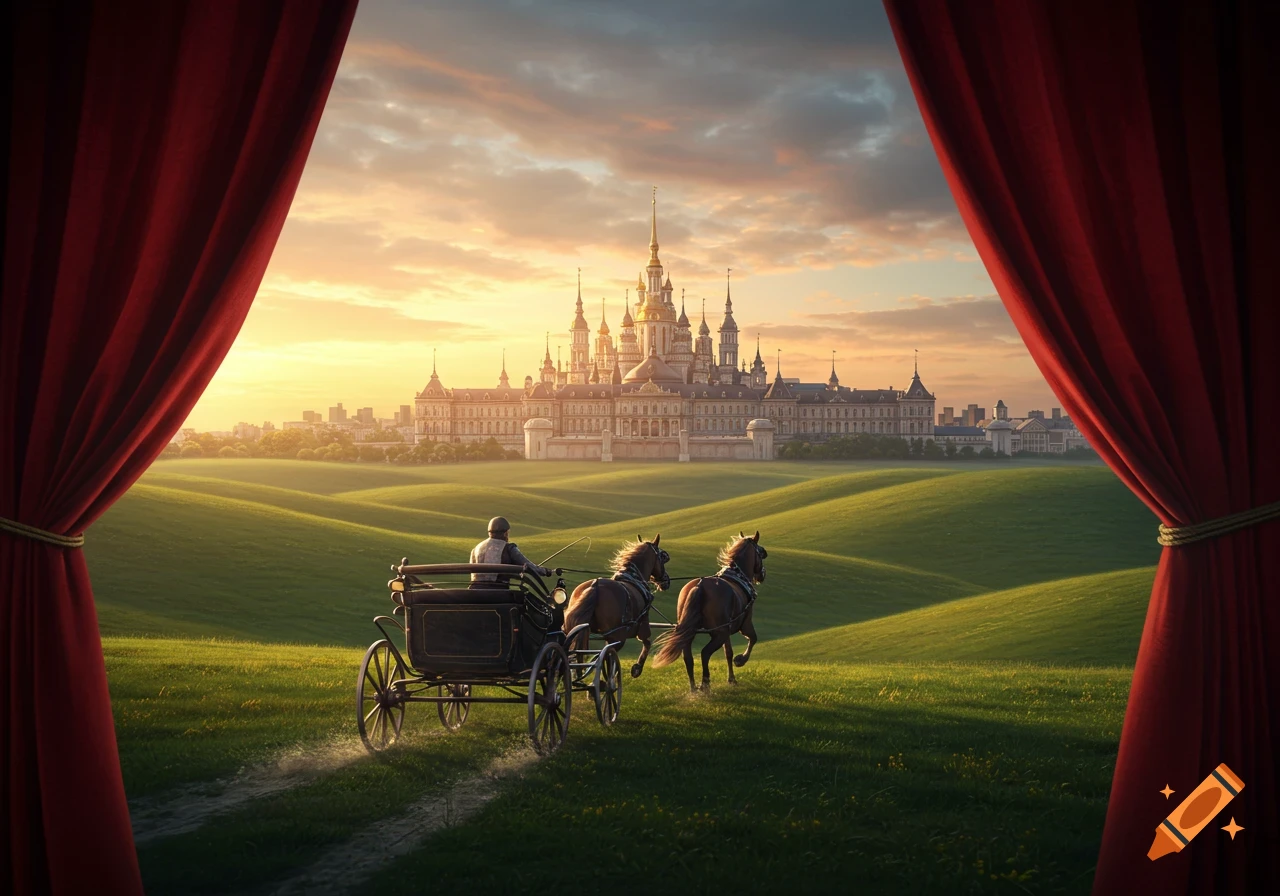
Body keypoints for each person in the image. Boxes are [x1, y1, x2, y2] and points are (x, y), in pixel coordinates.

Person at [470, 517, 550, 586]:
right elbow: (528, 565)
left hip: (474, 592)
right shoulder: (508, 548)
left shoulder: (476, 549)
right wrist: (545, 571)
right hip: (498, 592)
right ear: (505, 533)